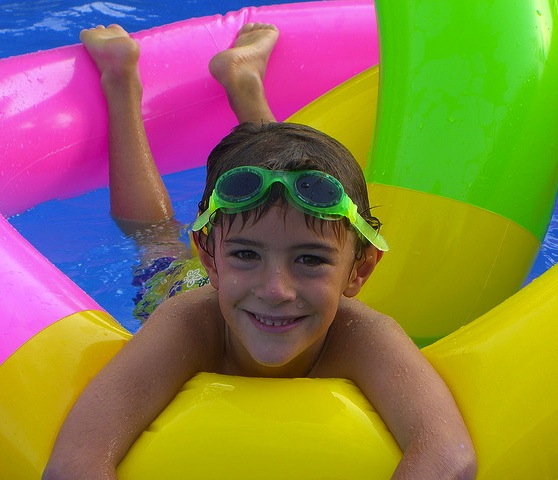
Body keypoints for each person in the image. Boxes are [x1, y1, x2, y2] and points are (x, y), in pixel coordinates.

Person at [42, 23, 476, 480]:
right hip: (177, 286)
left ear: (359, 270)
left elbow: (448, 454)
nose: (275, 290)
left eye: (310, 259)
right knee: (155, 239)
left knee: (283, 178)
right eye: (246, 255)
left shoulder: (363, 336)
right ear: (209, 257)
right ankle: (122, 82)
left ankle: (243, 79)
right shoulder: (187, 324)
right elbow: (77, 461)